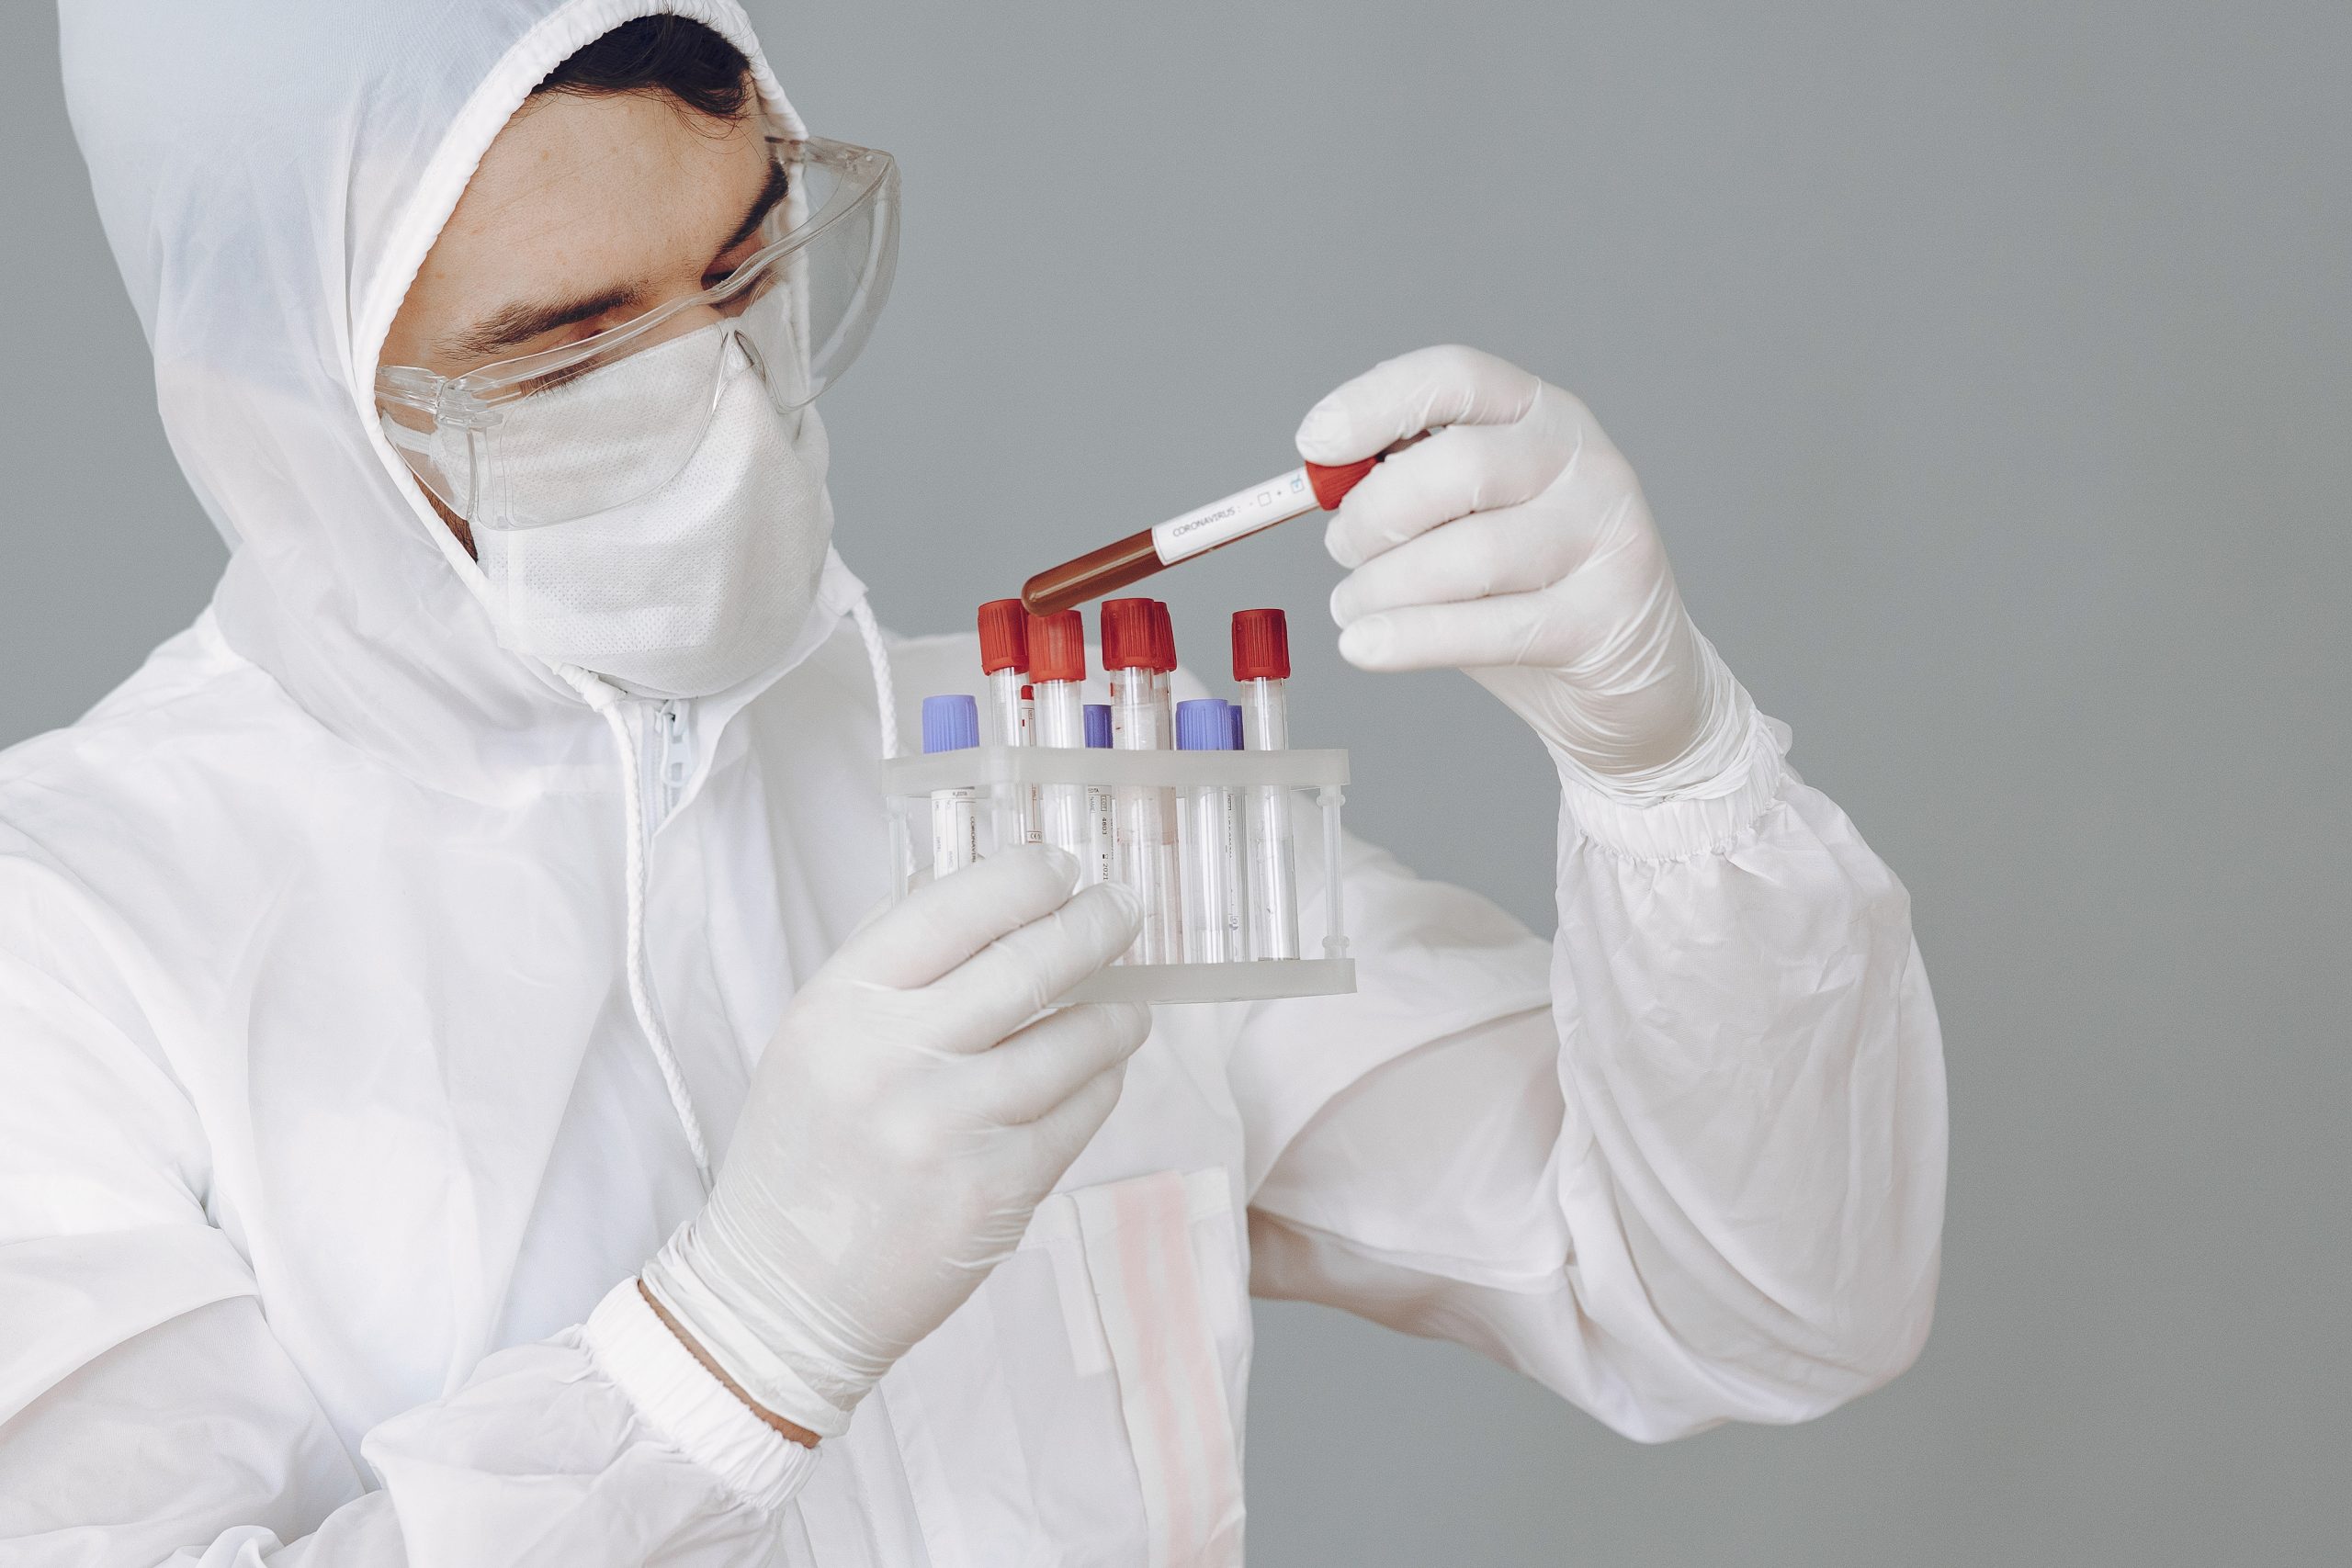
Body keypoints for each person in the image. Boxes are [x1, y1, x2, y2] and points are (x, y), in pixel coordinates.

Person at [0, 3, 1946, 1562]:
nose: (714, 405)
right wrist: (727, 1349)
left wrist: (1668, 766)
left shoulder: (1058, 785)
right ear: (275, 409)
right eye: (566, 347)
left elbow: (1760, 1303)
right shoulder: (75, 943)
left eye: (748, 263)